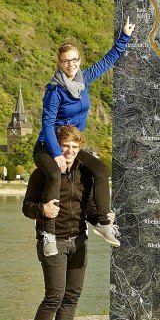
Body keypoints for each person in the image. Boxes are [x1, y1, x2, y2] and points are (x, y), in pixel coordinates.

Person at [34, 15, 134, 256]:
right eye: (66, 61)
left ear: (79, 60)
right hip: (49, 146)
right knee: (55, 176)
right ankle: (48, 233)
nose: (71, 64)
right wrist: (56, 153)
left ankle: (103, 222)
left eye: (75, 59)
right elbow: (47, 123)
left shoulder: (84, 79)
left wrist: (124, 37)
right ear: (59, 63)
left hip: (73, 146)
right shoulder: (55, 90)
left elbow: (107, 61)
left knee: (100, 171)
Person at [23, 125, 101, 320]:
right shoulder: (42, 174)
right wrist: (42, 209)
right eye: (65, 145)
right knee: (54, 295)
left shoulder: (85, 174)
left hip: (79, 241)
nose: (70, 150)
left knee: (72, 296)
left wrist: (103, 219)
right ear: (58, 146)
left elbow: (91, 209)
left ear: (80, 149)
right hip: (52, 240)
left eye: (74, 147)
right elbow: (27, 207)